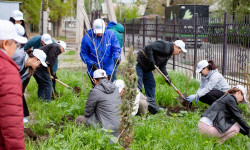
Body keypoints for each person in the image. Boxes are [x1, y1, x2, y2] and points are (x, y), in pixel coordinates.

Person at [0, 20, 27, 150]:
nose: (16, 47)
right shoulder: (6, 71)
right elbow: (11, 120)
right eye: (15, 43)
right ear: (5, 44)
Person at [75, 69, 121, 137]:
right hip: (120, 126)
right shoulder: (116, 88)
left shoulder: (95, 91)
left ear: (94, 81)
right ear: (107, 78)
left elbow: (87, 113)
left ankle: (89, 136)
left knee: (79, 119)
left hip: (107, 129)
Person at [80, 19, 121, 86]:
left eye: (101, 32)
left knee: (109, 89)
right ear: (93, 28)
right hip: (93, 70)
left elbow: (116, 48)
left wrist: (117, 56)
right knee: (97, 90)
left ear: (105, 27)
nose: (99, 34)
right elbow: (83, 53)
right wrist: (90, 63)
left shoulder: (110, 35)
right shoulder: (87, 38)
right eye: (97, 32)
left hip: (108, 68)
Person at [12, 49, 47, 121]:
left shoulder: (29, 71)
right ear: (35, 59)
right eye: (39, 64)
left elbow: (19, 82)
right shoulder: (18, 55)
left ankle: (19, 117)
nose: (39, 66)